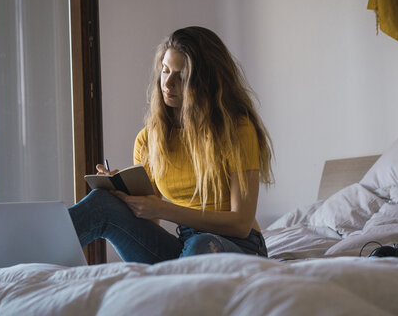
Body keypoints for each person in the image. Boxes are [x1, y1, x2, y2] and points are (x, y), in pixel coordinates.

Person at [69, 26, 274, 264]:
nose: (168, 83)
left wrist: (163, 209)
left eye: (182, 76)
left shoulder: (237, 130)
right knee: (101, 203)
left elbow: (241, 224)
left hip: (239, 246)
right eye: (165, 71)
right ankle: (24, 256)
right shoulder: (148, 140)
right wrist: (125, 196)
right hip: (185, 246)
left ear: (206, 82)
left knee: (200, 244)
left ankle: (167, 287)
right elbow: (150, 221)